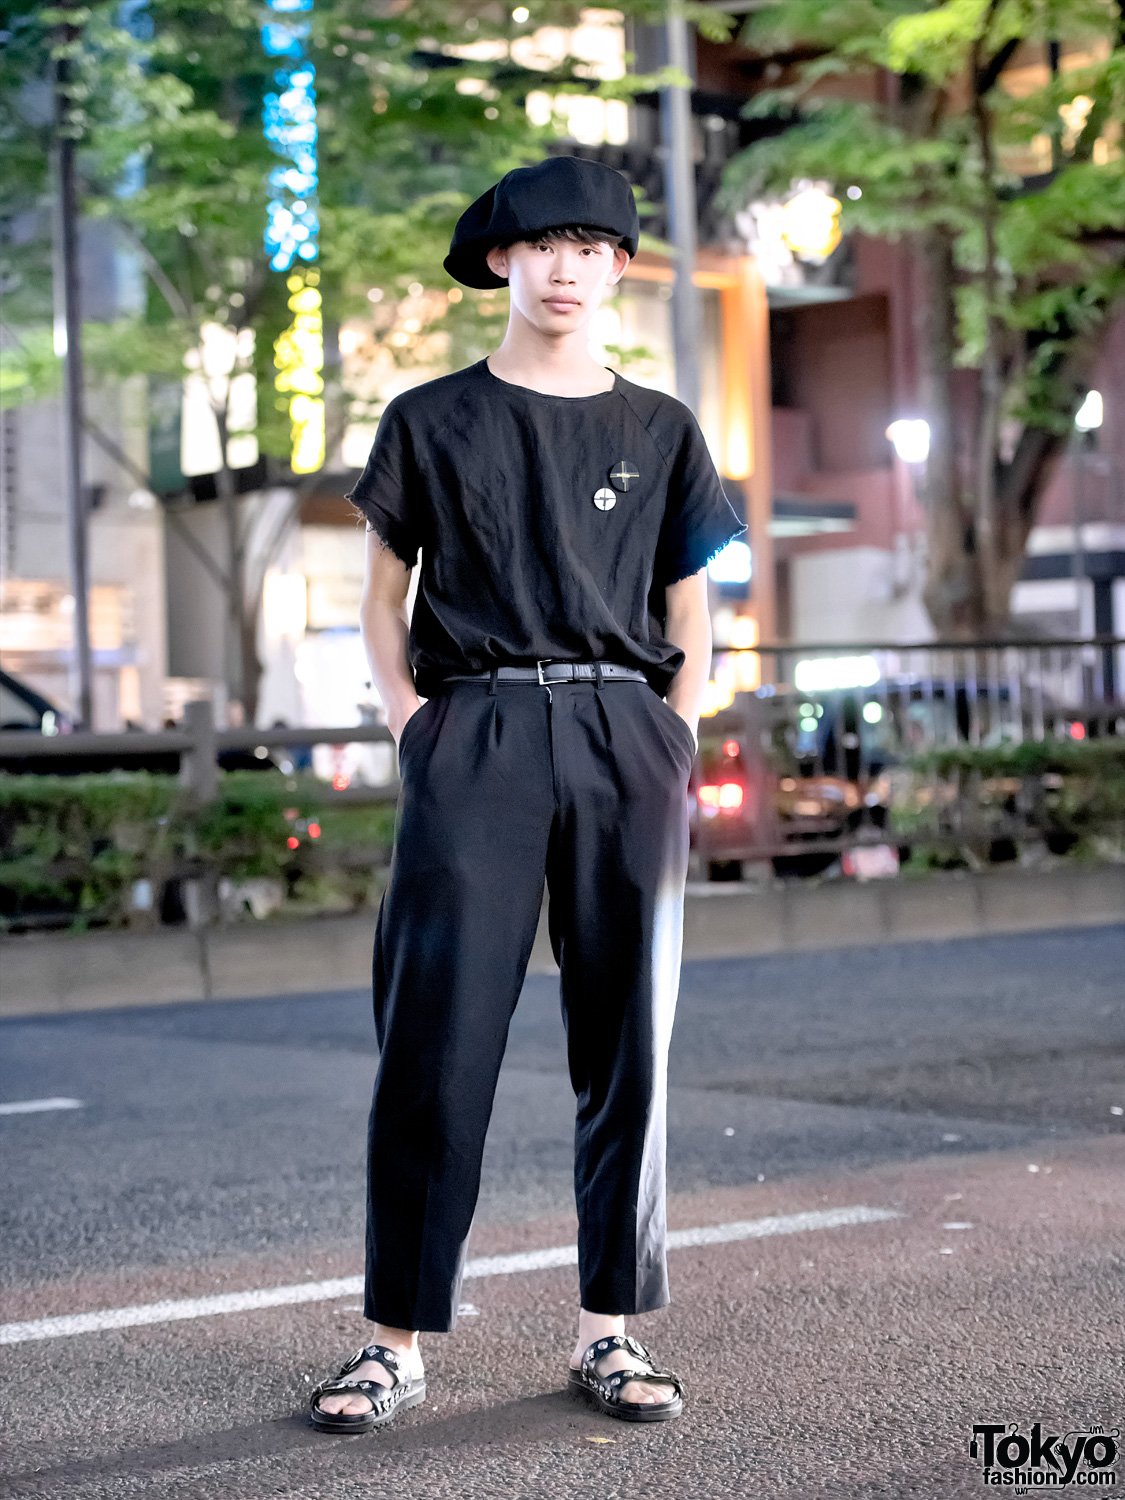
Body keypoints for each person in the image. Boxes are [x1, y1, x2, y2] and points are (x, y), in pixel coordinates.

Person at [308, 154, 747, 1433]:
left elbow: (691, 604)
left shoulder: (662, 427)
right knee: (435, 1044)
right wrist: (415, 726)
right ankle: (392, 1342)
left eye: (592, 246)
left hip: (627, 729)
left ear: (620, 267)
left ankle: (608, 1333)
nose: (566, 266)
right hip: (479, 729)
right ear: (500, 260)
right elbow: (381, 599)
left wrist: (675, 729)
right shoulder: (429, 418)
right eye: (542, 244)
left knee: (630, 1047)